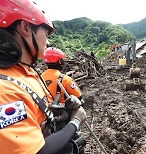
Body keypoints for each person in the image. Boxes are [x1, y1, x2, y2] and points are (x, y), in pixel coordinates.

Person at [0, 0, 86, 154]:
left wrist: (60, 115)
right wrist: (75, 121)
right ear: (26, 28)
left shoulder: (29, 73)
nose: (48, 40)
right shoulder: (5, 90)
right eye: (46, 34)